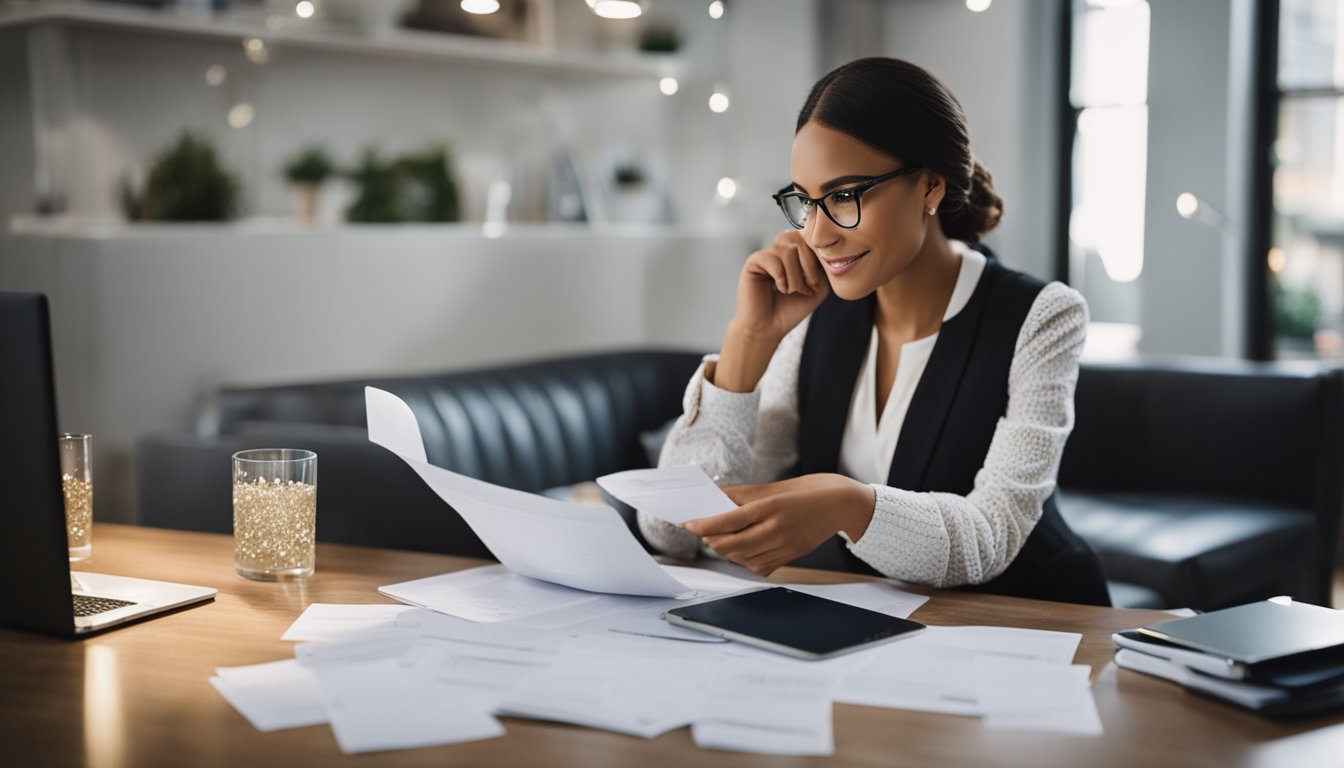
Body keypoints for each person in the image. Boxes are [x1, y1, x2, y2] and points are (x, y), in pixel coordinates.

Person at [638, 57, 1110, 606]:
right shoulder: (815, 310)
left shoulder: (1042, 316)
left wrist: (848, 503)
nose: (817, 234)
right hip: (877, 630)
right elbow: (669, 528)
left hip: (1035, 620)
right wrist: (749, 338)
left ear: (930, 186)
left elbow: (991, 536)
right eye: (807, 202)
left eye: (843, 196)